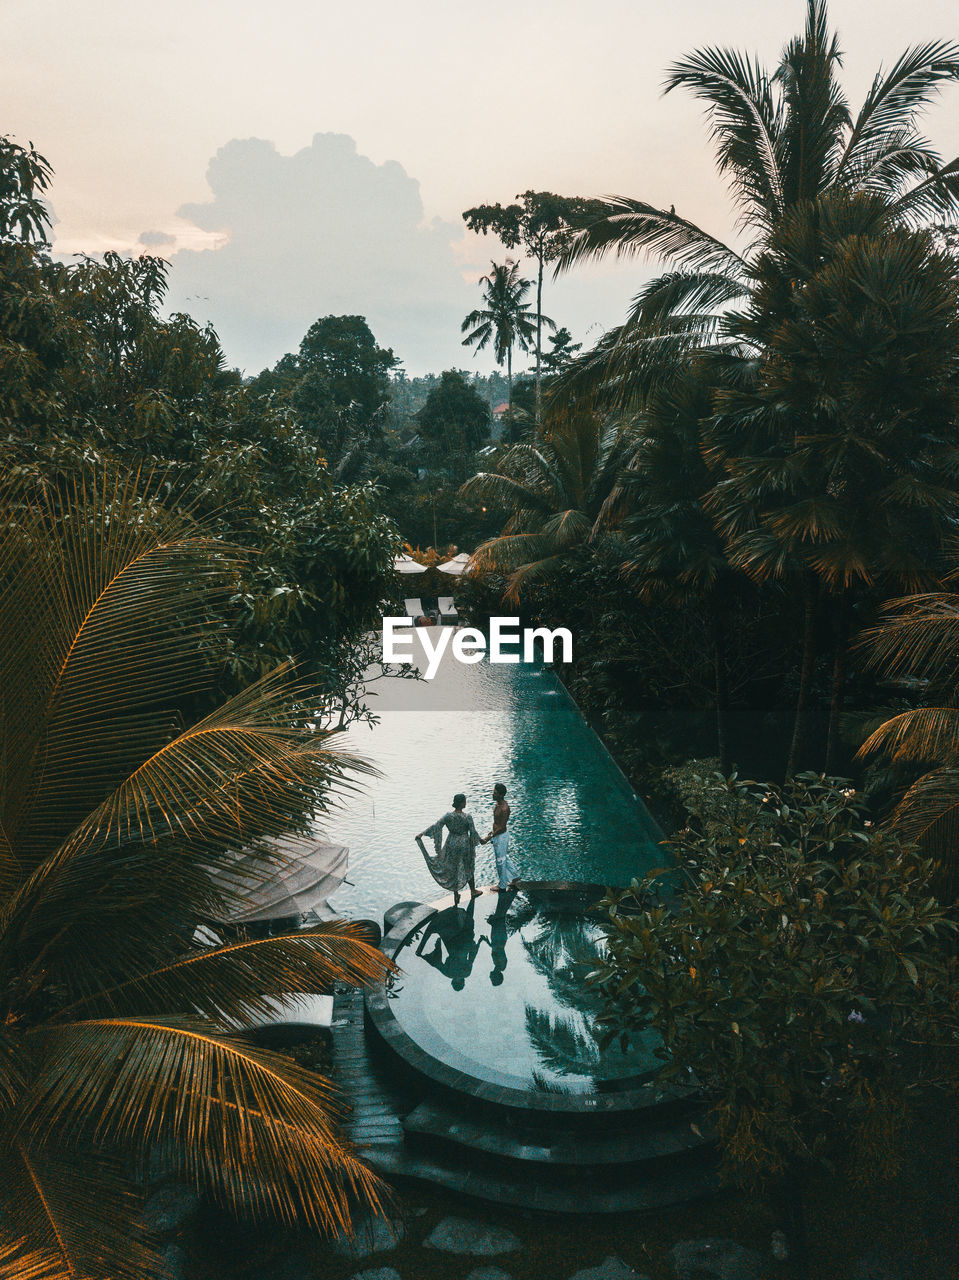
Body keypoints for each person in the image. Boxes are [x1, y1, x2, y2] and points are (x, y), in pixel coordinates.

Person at [416, 793, 482, 905]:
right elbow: (473, 833)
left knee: (453, 868)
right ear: (461, 803)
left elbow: (436, 826)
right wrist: (481, 841)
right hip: (464, 844)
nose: (466, 803)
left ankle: (456, 895)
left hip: (451, 844)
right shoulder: (468, 817)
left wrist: (421, 834)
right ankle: (473, 890)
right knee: (468, 866)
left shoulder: (448, 816)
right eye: (464, 801)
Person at [480, 782, 519, 893]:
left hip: (501, 836)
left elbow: (502, 827)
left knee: (500, 861)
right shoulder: (498, 804)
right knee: (504, 857)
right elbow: (497, 824)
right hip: (497, 834)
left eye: (495, 793)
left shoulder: (504, 808)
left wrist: (489, 837)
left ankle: (502, 886)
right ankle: (515, 876)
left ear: (501, 795)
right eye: (493, 792)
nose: (493, 794)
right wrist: (491, 833)